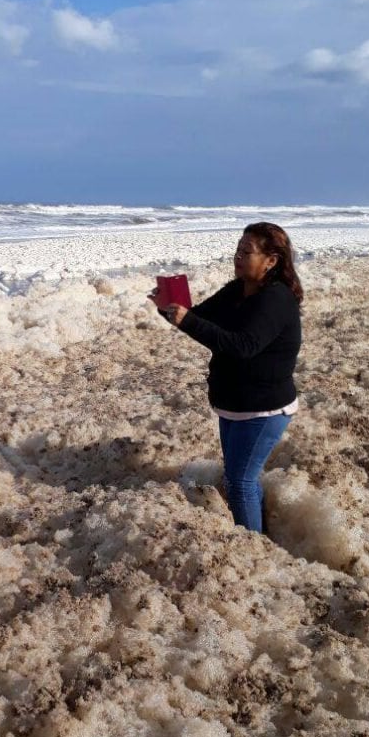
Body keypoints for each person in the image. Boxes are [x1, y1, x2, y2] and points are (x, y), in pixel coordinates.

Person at [151, 222, 303, 533]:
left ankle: (252, 545)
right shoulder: (238, 289)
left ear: (271, 260)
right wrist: (168, 310)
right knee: (242, 478)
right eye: (237, 250)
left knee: (240, 481)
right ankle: (261, 531)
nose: (238, 257)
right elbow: (200, 317)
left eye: (247, 252)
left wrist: (187, 320)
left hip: (264, 409)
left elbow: (243, 346)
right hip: (234, 406)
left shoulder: (276, 299)